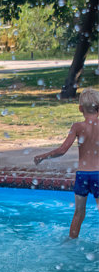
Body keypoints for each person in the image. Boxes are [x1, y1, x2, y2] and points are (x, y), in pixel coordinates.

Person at [34, 88, 99, 239]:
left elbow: (62, 150)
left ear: (80, 108)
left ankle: (71, 243)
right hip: (98, 175)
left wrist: (43, 156)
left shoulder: (77, 127)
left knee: (78, 213)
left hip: (82, 175)